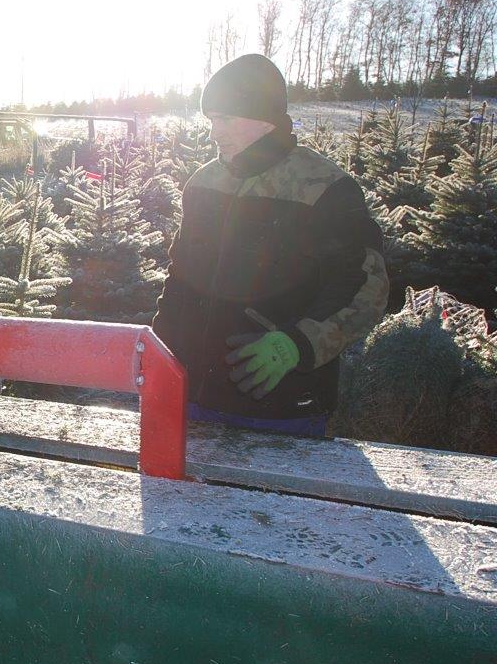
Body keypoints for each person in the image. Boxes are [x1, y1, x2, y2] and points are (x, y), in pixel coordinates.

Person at [152, 54, 388, 436]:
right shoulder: (203, 183)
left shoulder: (326, 188)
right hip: (189, 394)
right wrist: (158, 345)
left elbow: (366, 287)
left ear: (263, 117)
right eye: (211, 120)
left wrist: (297, 344)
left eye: (225, 118)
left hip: (280, 405)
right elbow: (180, 277)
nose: (214, 132)